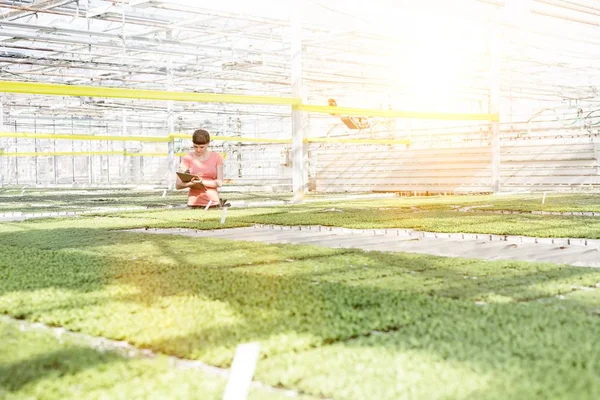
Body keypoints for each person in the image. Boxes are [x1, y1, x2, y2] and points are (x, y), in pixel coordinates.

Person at [175, 129, 228, 208]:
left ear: (208, 144)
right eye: (195, 147)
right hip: (193, 204)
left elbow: (219, 183)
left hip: (213, 203)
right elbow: (178, 185)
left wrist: (201, 182)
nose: (198, 150)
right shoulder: (187, 158)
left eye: (202, 147)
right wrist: (192, 183)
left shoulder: (217, 157)